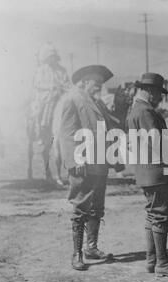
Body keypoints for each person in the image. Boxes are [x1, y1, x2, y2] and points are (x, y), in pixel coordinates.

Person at [126, 73, 168, 277]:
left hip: (147, 171)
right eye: (158, 94)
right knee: (161, 214)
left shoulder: (136, 110)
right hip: (155, 171)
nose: (160, 98)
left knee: (152, 215)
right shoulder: (145, 111)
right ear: (150, 91)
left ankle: (151, 260)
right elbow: (157, 144)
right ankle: (162, 263)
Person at [59, 65, 123, 271]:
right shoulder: (72, 99)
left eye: (101, 84)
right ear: (85, 81)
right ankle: (77, 253)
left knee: (97, 208)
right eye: (97, 82)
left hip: (100, 164)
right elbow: (67, 134)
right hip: (83, 165)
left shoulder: (97, 103)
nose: (99, 86)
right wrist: (74, 161)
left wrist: (115, 156)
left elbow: (110, 128)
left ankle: (91, 248)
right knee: (80, 208)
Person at [30, 43, 71, 146]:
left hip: (60, 94)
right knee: (39, 112)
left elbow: (67, 82)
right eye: (50, 57)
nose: (52, 59)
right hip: (45, 96)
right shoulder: (41, 70)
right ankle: (40, 132)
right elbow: (37, 84)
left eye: (53, 57)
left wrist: (65, 87)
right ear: (46, 58)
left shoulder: (62, 70)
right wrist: (51, 87)